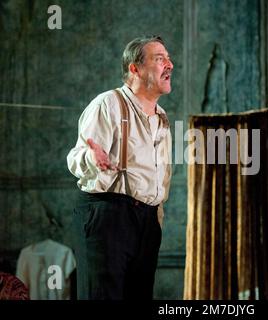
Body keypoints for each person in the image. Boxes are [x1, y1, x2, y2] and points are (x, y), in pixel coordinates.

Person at [67, 36, 173, 300]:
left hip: (146, 222)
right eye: (159, 59)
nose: (169, 64)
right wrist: (92, 157)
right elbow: (75, 157)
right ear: (134, 69)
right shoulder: (108, 103)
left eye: (169, 58)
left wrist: (156, 216)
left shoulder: (162, 118)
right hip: (108, 215)